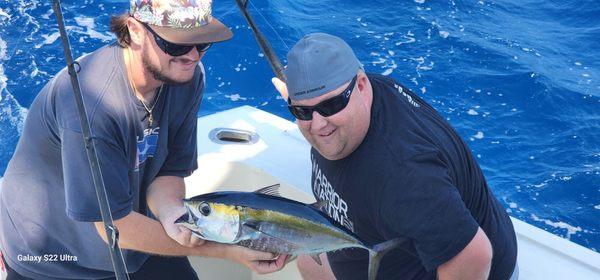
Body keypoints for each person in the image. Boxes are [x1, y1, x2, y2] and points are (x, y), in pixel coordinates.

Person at [0, 1, 287, 279]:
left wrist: (173, 213)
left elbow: (168, 170)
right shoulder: (94, 106)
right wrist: (226, 251)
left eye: (202, 43)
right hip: (52, 262)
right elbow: (115, 226)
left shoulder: (184, 76)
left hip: (132, 250)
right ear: (134, 30)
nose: (193, 56)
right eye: (175, 44)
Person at [271, 33, 518, 280]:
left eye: (331, 105)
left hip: (468, 268)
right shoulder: (348, 97)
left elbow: (474, 257)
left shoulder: (405, 177)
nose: (318, 125)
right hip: (368, 245)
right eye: (301, 111)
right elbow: (314, 101)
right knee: (309, 261)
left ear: (361, 86)